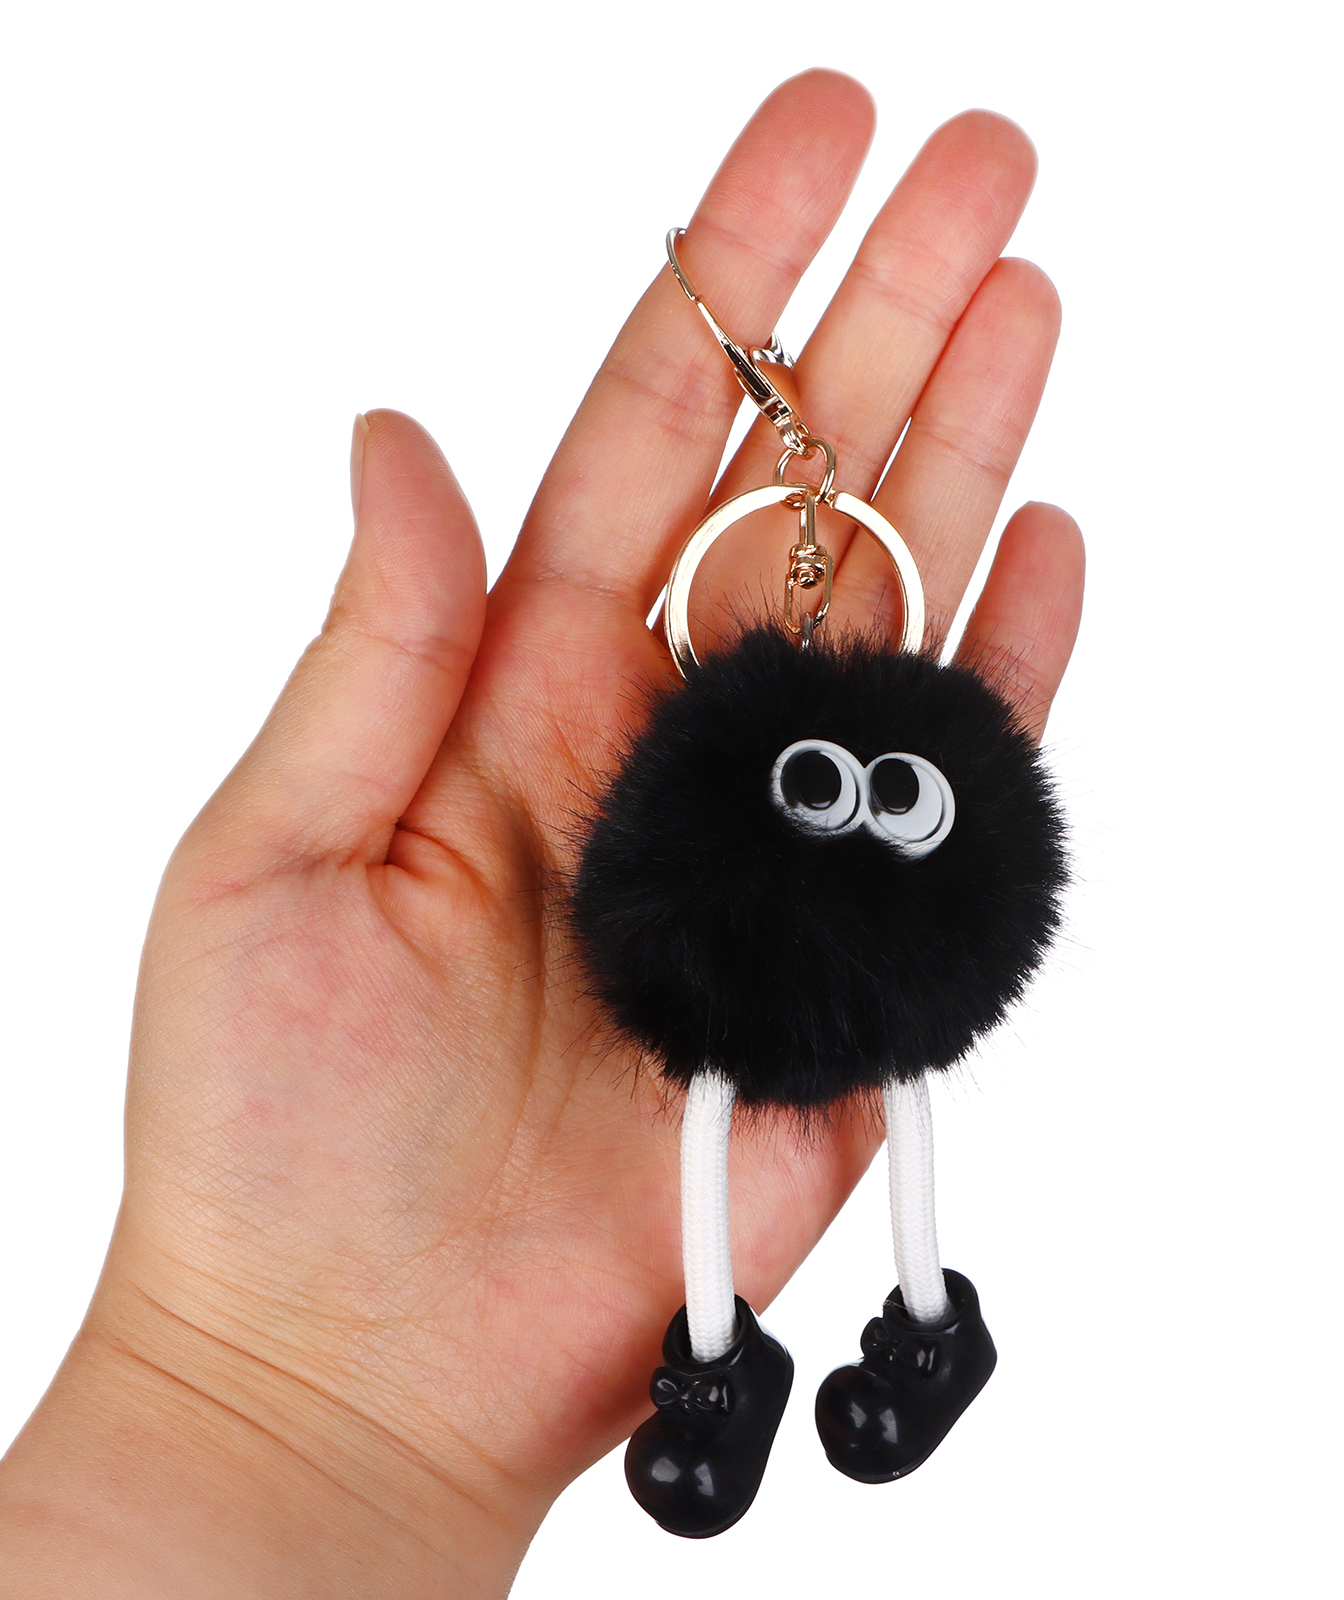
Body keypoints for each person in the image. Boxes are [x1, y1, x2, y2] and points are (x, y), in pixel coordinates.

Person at [0, 68, 1084, 1597]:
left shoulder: (855, 876)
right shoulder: (712, 875)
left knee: (858, 1102)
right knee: (735, 1114)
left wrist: (256, 1404)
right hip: (762, 984)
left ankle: (922, 1334)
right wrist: (256, 1391)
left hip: (851, 976)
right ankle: (730, 1366)